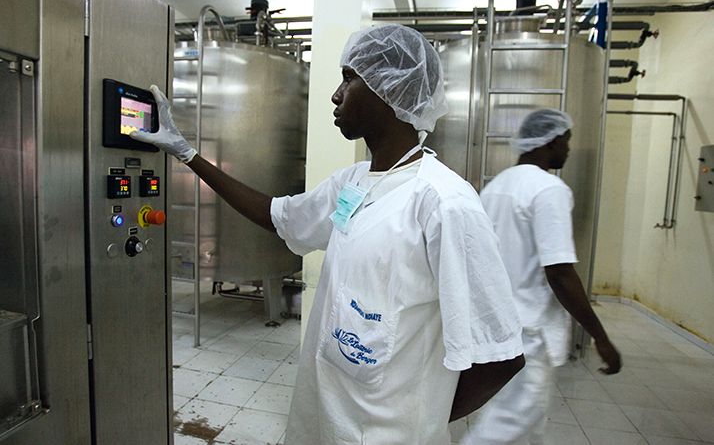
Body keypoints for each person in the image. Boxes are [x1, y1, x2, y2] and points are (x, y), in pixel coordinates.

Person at [132, 24, 525, 445]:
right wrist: (189, 155)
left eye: (349, 78)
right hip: (321, 418)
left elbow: (501, 356)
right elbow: (277, 214)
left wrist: (418, 419)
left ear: (388, 87)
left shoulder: (444, 203)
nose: (336, 95)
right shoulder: (353, 182)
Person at [461, 109, 622, 445]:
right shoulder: (549, 190)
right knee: (510, 425)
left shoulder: (498, 187)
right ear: (550, 141)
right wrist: (600, 336)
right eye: (566, 141)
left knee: (519, 422)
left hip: (499, 322)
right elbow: (560, 272)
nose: (568, 149)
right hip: (529, 330)